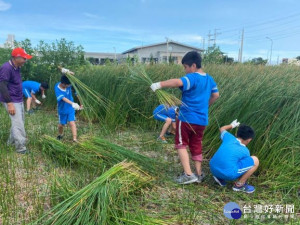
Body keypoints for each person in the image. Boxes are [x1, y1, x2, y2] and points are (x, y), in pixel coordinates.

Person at [150, 51, 219, 184]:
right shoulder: (209, 79)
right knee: (196, 144)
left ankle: (188, 174)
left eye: (185, 67)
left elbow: (177, 82)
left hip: (187, 118)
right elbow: (216, 95)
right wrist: (205, 106)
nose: (185, 70)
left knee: (181, 144)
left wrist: (159, 85)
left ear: (193, 65)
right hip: (202, 120)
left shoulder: (193, 77)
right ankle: (199, 174)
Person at [209, 120, 259, 193]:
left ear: (236, 134)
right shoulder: (245, 151)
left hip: (213, 169)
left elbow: (222, 129)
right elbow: (244, 166)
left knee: (227, 158)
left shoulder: (228, 137)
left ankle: (219, 177)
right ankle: (239, 185)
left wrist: (232, 125)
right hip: (228, 174)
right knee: (255, 160)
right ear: (249, 140)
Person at [0, 47, 33, 154]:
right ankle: (20, 148)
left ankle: (11, 143)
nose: (25, 60)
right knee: (18, 123)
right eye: (24, 58)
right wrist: (9, 104)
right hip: (11, 100)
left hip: (18, 99)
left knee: (19, 122)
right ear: (17, 58)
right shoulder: (6, 68)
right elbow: (2, 86)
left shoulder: (17, 67)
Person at [55, 75, 81, 142]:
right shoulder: (57, 88)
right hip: (62, 109)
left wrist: (80, 103)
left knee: (72, 122)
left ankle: (74, 139)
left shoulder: (68, 85)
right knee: (61, 125)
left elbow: (72, 75)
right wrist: (73, 103)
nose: (69, 86)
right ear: (63, 84)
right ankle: (60, 134)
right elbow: (63, 98)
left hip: (70, 108)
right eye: (68, 85)